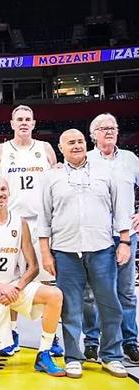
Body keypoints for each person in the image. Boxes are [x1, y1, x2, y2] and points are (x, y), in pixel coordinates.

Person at [38, 129, 132, 379]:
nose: (77, 145)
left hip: (102, 248)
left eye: (80, 141)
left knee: (109, 304)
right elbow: (44, 219)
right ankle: (73, 357)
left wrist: (124, 242)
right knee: (71, 307)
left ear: (86, 143)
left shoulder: (106, 172)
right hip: (66, 251)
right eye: (71, 142)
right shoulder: (51, 178)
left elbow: (120, 210)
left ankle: (112, 356)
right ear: (61, 147)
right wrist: (46, 254)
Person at [0, 177, 65, 376]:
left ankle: (44, 353)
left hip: (14, 288)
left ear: (9, 193)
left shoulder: (20, 223)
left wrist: (17, 287)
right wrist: (1, 287)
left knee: (54, 295)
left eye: (3, 189)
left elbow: (33, 267)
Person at [0, 105, 62, 357]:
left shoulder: (45, 149)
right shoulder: (0, 150)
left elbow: (56, 183)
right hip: (12, 223)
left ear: (34, 122)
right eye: (19, 119)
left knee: (47, 279)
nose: (24, 123)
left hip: (41, 222)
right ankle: (12, 332)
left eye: (28, 119)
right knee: (12, 279)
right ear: (11, 123)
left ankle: (51, 338)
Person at [81, 113, 139, 365]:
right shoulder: (84, 160)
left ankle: (130, 342)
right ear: (92, 134)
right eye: (103, 128)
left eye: (113, 127)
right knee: (90, 293)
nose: (109, 131)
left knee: (125, 291)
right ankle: (92, 343)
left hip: (126, 234)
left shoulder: (130, 159)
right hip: (95, 234)